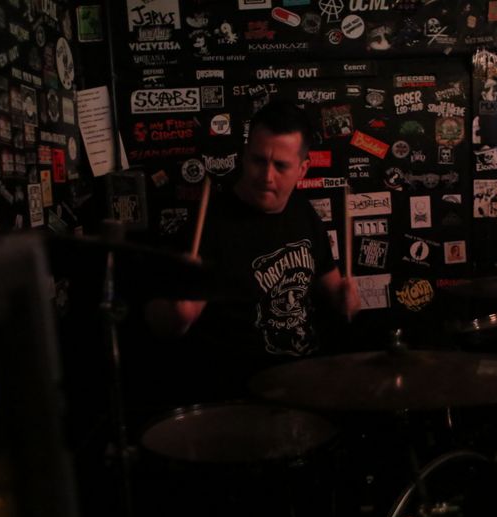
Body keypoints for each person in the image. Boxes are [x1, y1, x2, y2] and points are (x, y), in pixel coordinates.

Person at [150, 100, 360, 396]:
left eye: (281, 165)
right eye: (258, 160)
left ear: (302, 169)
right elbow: (161, 320)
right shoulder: (209, 224)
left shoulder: (304, 213)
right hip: (239, 393)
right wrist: (178, 316)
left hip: (304, 382)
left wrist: (346, 297)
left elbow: (335, 287)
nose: (266, 176)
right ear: (245, 155)